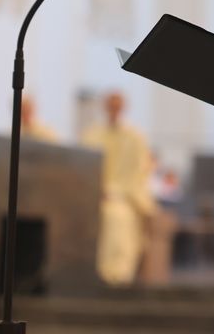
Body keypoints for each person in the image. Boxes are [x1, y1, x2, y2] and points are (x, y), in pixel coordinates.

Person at [82, 91, 156, 285]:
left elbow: (139, 171)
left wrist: (117, 192)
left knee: (117, 216)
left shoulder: (135, 137)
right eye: (110, 105)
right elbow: (84, 168)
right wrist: (98, 191)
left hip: (125, 198)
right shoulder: (92, 135)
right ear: (105, 107)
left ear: (123, 108)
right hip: (95, 196)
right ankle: (98, 275)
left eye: (117, 105)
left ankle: (118, 276)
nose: (114, 109)